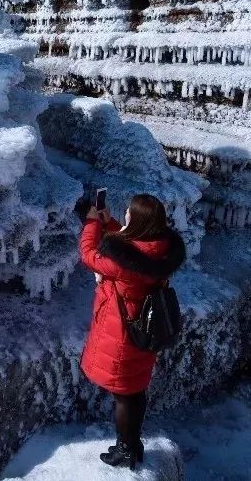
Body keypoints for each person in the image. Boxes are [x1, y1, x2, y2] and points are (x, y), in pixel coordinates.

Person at [75, 192, 185, 470]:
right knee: (135, 392)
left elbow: (89, 255)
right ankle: (133, 444)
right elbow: (132, 247)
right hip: (143, 332)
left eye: (128, 213)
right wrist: (108, 221)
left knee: (124, 395)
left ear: (137, 221)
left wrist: (91, 224)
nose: (124, 215)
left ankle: (126, 450)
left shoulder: (122, 264)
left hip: (123, 335)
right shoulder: (161, 248)